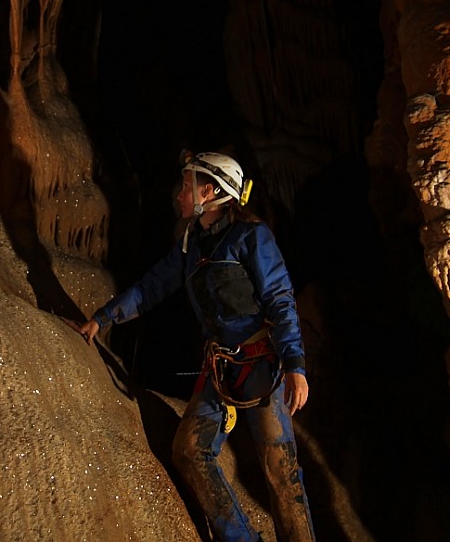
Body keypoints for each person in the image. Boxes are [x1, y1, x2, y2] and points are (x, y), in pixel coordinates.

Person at [78, 152, 315, 542]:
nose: (180, 193)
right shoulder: (193, 245)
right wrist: (103, 318)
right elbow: (152, 286)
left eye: (187, 185)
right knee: (188, 450)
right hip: (220, 367)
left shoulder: (250, 237)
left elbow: (280, 297)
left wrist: (295, 365)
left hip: (261, 367)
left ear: (211, 190)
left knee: (281, 472)